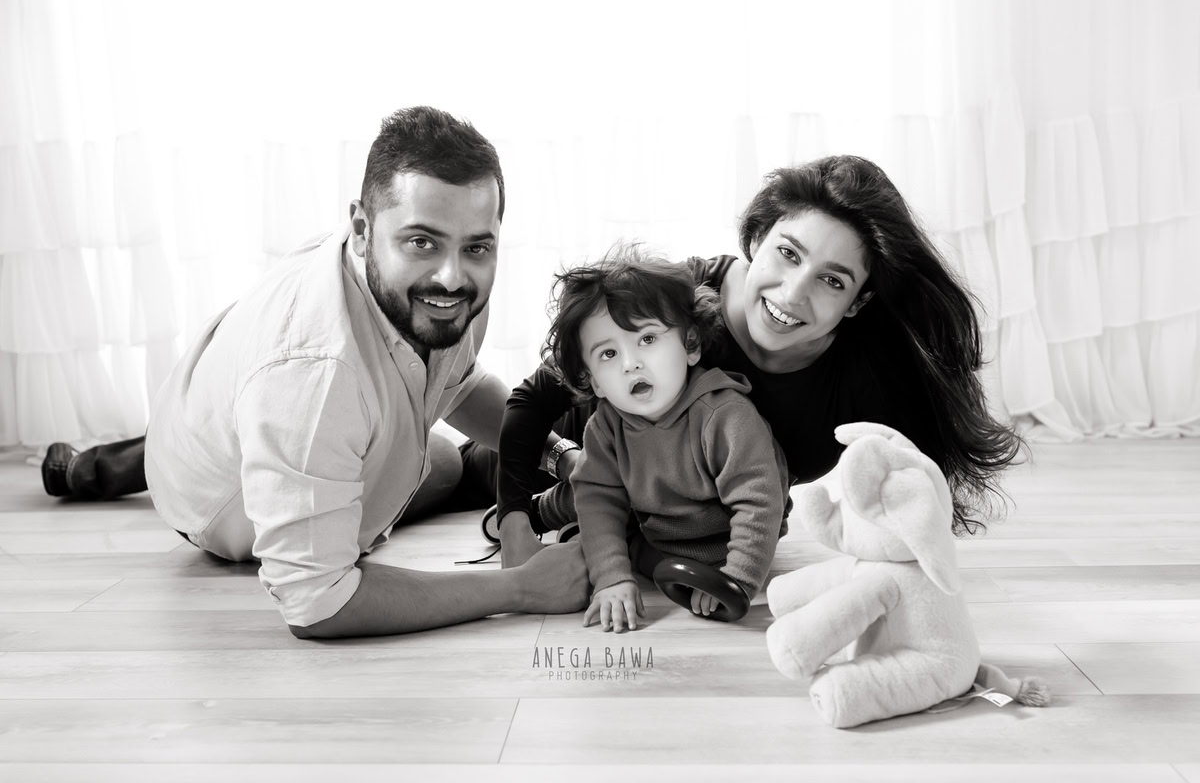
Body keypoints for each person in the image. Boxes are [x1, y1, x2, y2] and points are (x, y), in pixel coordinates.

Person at [43, 106, 590, 638]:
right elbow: (318, 602)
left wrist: (559, 456)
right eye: (421, 242)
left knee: (441, 462)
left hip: (267, 389)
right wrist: (521, 589)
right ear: (361, 227)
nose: (451, 276)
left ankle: (232, 413)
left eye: (476, 246)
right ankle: (106, 466)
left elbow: (458, 383)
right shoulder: (315, 378)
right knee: (312, 418)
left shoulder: (443, 292)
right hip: (215, 492)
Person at [470, 154, 1022, 572]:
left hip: (664, 514)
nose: (792, 293)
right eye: (788, 253)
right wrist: (517, 519)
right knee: (449, 473)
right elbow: (531, 400)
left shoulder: (867, 378)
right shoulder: (681, 298)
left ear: (857, 302)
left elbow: (905, 501)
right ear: (758, 239)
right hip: (560, 453)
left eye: (832, 280)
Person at [535, 248, 790, 632]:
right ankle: (540, 511)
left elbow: (759, 500)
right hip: (654, 524)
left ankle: (581, 531)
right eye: (608, 353)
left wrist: (736, 578)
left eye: (648, 339)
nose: (630, 363)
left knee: (631, 538)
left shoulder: (724, 416)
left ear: (690, 345)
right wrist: (611, 578)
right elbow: (598, 498)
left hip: (721, 535)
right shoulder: (607, 426)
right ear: (594, 382)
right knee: (586, 494)